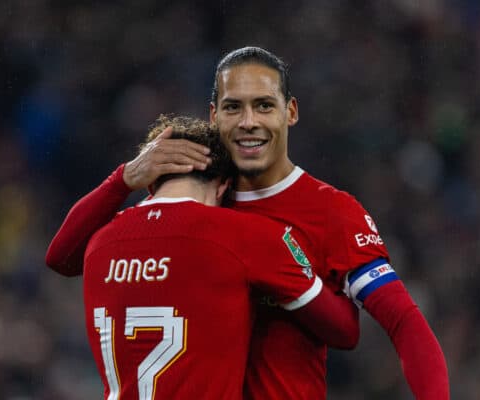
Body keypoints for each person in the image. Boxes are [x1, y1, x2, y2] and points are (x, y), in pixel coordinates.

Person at [46, 47, 449, 399]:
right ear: (214, 114)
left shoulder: (331, 212)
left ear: (290, 112)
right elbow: (63, 257)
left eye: (264, 105)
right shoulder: (201, 206)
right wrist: (123, 178)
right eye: (233, 107)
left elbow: (402, 321)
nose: (248, 121)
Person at [80, 115, 359, 399]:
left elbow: (58, 258)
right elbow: (344, 330)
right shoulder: (242, 234)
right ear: (225, 186)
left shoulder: (98, 241)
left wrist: (122, 179)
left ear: (151, 184)